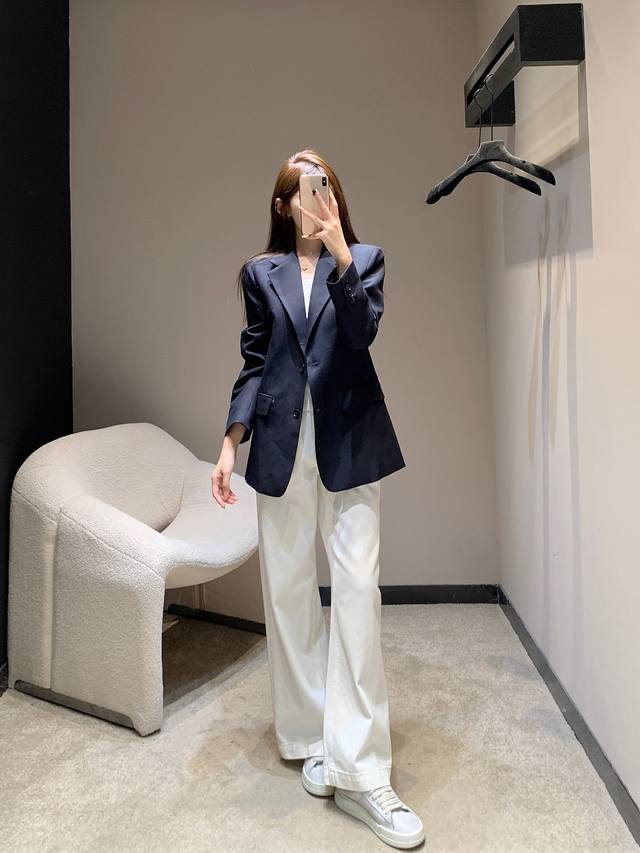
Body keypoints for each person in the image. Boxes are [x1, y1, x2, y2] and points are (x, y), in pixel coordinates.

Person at [212, 150, 424, 849]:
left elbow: (363, 334)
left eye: (323, 184)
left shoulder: (364, 259)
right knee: (289, 592)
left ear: (335, 195)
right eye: (301, 189)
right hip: (279, 445)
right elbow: (254, 361)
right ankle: (310, 739)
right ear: (283, 204)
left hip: (350, 441)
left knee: (357, 591)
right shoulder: (260, 273)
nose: (314, 196)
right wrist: (230, 442)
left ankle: (362, 771)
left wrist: (339, 255)